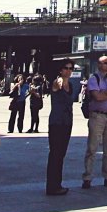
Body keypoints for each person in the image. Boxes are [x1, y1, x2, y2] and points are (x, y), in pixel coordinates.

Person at [81, 55, 107, 188]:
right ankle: (87, 177)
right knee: (92, 148)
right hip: (97, 116)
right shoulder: (94, 79)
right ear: (99, 65)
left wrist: (105, 93)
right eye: (106, 63)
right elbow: (97, 96)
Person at [45, 64, 75, 195]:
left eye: (70, 68)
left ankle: (57, 184)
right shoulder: (57, 82)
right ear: (60, 70)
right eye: (66, 68)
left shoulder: (71, 85)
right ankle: (52, 186)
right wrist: (59, 83)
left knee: (61, 154)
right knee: (55, 154)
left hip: (67, 122)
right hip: (56, 122)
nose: (68, 70)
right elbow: (56, 86)